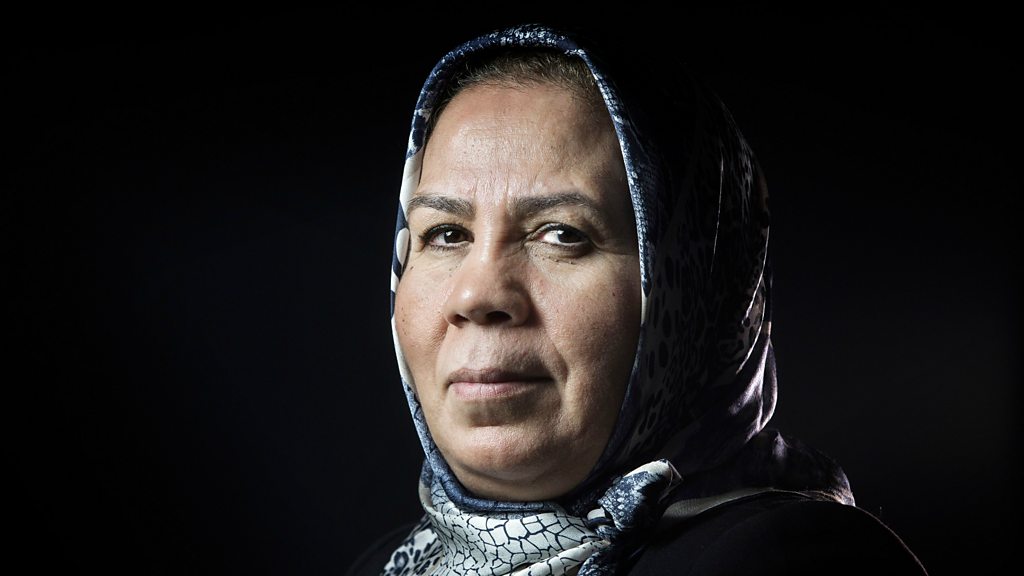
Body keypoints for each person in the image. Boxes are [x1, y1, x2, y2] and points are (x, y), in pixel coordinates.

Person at [350, 23, 927, 575]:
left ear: (693, 290)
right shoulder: (390, 564)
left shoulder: (793, 560)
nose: (478, 295)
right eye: (445, 234)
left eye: (563, 235)